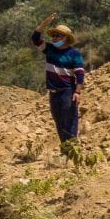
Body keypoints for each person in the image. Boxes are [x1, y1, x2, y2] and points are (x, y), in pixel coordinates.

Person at [31, 15, 87, 144]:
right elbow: (35, 38)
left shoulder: (74, 54)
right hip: (53, 92)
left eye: (58, 36)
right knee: (59, 121)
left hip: (67, 91)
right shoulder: (50, 49)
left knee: (70, 120)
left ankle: (72, 148)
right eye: (54, 36)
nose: (55, 38)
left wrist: (77, 92)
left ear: (66, 38)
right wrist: (45, 23)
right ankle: (65, 148)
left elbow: (79, 73)